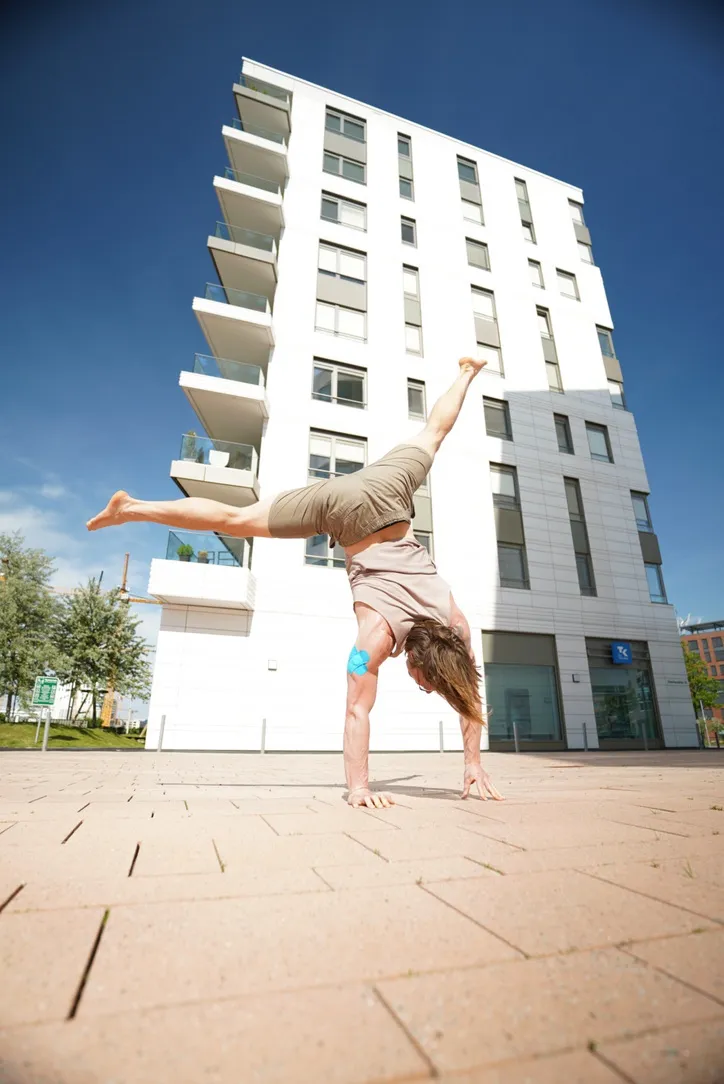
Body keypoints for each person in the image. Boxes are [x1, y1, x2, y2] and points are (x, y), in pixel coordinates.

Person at [88, 356, 504, 809]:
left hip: (386, 489)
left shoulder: (453, 622)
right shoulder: (377, 637)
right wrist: (360, 788)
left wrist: (472, 762)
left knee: (432, 434)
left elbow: (465, 691)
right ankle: (129, 510)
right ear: (420, 661)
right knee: (238, 520)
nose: (423, 687)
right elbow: (358, 710)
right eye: (425, 682)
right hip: (343, 511)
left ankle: (465, 370)